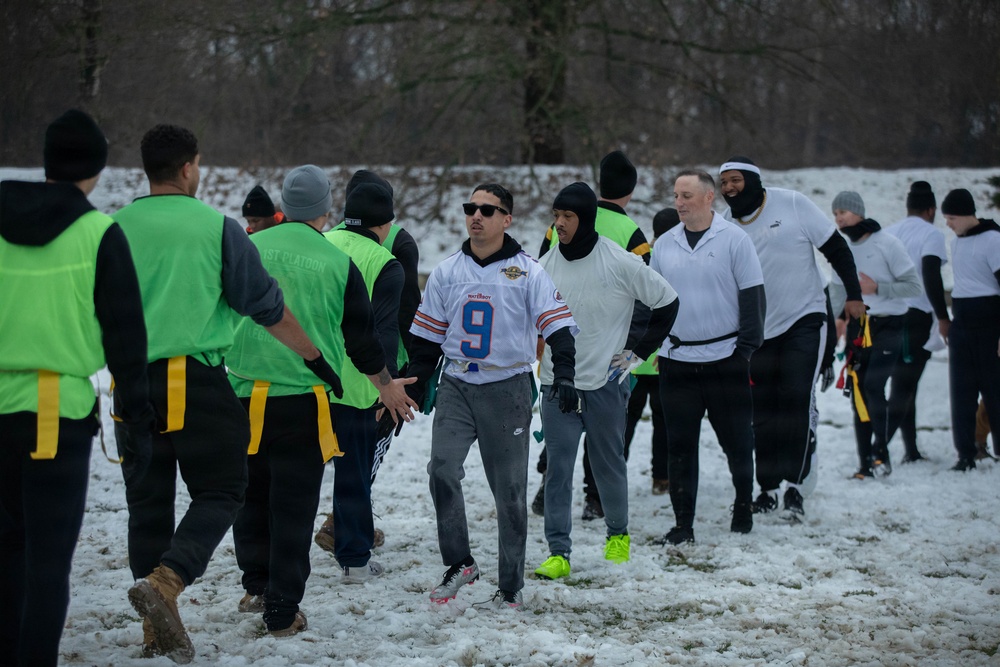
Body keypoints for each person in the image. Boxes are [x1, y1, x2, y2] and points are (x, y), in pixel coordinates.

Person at [114, 124, 346, 661]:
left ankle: (154, 628)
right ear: (190, 167)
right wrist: (313, 356)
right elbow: (268, 308)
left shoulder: (114, 229)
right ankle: (167, 582)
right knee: (223, 490)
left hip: (132, 384)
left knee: (146, 505)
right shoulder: (217, 229)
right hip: (198, 382)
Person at [226, 166, 416, 637]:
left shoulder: (249, 247)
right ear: (326, 209)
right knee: (294, 504)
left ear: (282, 207)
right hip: (305, 401)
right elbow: (362, 338)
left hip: (243, 392)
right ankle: (282, 608)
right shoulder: (337, 262)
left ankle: (256, 585)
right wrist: (385, 383)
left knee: (250, 494)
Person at [0, 110, 151, 667]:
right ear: (97, 168)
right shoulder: (97, 233)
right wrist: (136, 416)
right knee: (47, 565)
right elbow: (125, 335)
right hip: (54, 418)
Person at [403, 183, 578, 609]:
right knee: (441, 470)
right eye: (470, 208)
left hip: (508, 387)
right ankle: (460, 562)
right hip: (458, 384)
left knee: (510, 493)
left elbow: (558, 328)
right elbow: (426, 340)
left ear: (506, 219)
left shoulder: (528, 271)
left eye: (487, 209)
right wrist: (411, 382)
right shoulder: (447, 271)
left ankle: (511, 585)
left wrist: (567, 376)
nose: (476, 216)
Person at [534, 182, 678, 579]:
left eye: (567, 217)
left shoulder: (619, 261)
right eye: (556, 216)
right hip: (556, 385)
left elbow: (668, 302)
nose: (559, 224)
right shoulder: (543, 265)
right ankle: (558, 551)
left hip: (606, 383)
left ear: (586, 219)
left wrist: (638, 352)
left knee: (607, 463)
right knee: (558, 469)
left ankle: (618, 534)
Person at [719, 156, 865, 521]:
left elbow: (836, 249)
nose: (729, 188)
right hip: (759, 332)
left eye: (735, 180)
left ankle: (796, 488)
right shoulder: (725, 225)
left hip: (805, 320)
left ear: (752, 180)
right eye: (723, 183)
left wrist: (853, 296)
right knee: (763, 411)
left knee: (796, 401)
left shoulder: (793, 203)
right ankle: (767, 488)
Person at [533, 150, 651, 521]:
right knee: (606, 440)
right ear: (630, 191)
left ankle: (548, 485)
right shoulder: (632, 233)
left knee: (561, 429)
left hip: (558, 345)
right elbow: (645, 300)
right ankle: (595, 498)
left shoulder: (559, 222)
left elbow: (538, 278)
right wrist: (630, 346)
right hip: (605, 353)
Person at [649, 170, 764, 544]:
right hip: (676, 362)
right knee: (679, 446)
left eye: (686, 196)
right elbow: (653, 303)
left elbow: (754, 300)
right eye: (676, 196)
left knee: (736, 442)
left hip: (725, 360)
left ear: (709, 197)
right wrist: (650, 346)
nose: (679, 203)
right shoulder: (664, 245)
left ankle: (743, 504)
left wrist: (743, 352)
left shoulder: (735, 240)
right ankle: (683, 524)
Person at [314, 169, 421, 551]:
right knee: (358, 466)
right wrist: (395, 378)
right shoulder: (394, 250)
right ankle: (351, 543)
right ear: (387, 217)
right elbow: (396, 320)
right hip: (367, 381)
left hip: (311, 376)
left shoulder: (320, 242)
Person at [828, 191, 921, 479]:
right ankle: (864, 464)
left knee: (873, 385)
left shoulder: (887, 244)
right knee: (858, 392)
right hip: (859, 326)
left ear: (859, 211)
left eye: (843, 211)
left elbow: (913, 287)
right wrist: (836, 320)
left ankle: (881, 450)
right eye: (835, 213)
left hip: (890, 324)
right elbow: (837, 290)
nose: (839, 217)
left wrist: (877, 288)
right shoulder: (841, 248)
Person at [884, 181, 950, 462]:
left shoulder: (889, 233)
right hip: (914, 318)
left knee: (903, 385)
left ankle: (910, 450)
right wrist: (943, 316)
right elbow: (932, 275)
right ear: (931, 209)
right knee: (904, 387)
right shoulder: (931, 234)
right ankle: (875, 450)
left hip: (887, 316)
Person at [939, 188, 1000, 471]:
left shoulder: (994, 240)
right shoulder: (957, 243)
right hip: (962, 320)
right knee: (961, 391)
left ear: (966, 214)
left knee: (994, 389)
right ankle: (966, 454)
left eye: (951, 217)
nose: (948, 224)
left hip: (989, 322)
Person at [628, 207, 682, 496]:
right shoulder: (678, 258)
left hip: (636, 359)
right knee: (664, 422)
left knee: (626, 421)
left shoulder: (640, 257)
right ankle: (662, 477)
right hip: (664, 358)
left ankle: (610, 475)